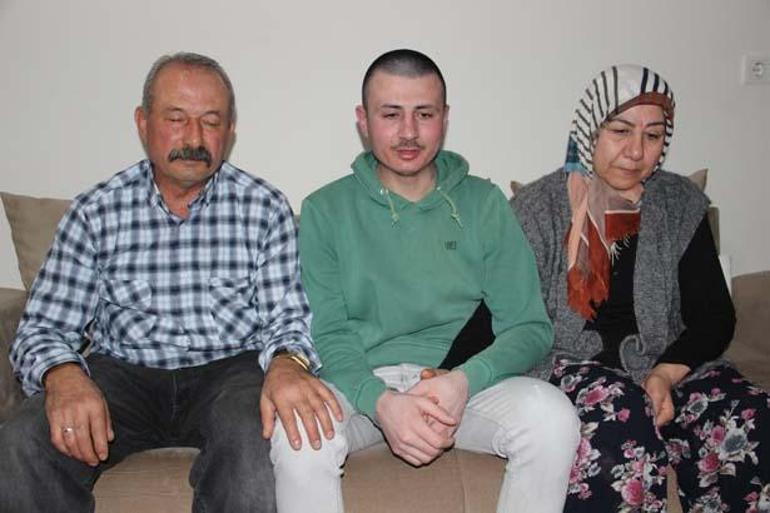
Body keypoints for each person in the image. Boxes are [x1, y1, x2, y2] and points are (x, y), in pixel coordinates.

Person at [0, 52, 341, 513]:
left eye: (211, 122)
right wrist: (63, 375)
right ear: (143, 123)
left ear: (230, 131)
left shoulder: (263, 208)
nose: (194, 138)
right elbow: (42, 327)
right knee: (23, 441)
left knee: (254, 439)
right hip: (123, 374)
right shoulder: (96, 211)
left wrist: (286, 362)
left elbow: (288, 317)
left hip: (229, 374)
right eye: (176, 119)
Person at [269, 49, 580, 513]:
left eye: (425, 114)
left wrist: (463, 382)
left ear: (445, 118)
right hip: (358, 385)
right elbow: (329, 333)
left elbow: (530, 327)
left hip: (459, 383)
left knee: (553, 418)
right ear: (363, 120)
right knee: (297, 438)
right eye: (391, 114)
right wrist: (380, 402)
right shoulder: (324, 210)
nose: (409, 132)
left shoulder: (485, 203)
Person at [512, 64, 770, 512]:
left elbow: (714, 316)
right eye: (620, 131)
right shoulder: (536, 209)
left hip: (670, 369)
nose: (635, 151)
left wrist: (664, 375)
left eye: (652, 136)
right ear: (591, 130)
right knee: (624, 423)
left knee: (754, 416)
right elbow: (510, 319)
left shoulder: (679, 203)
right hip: (573, 370)